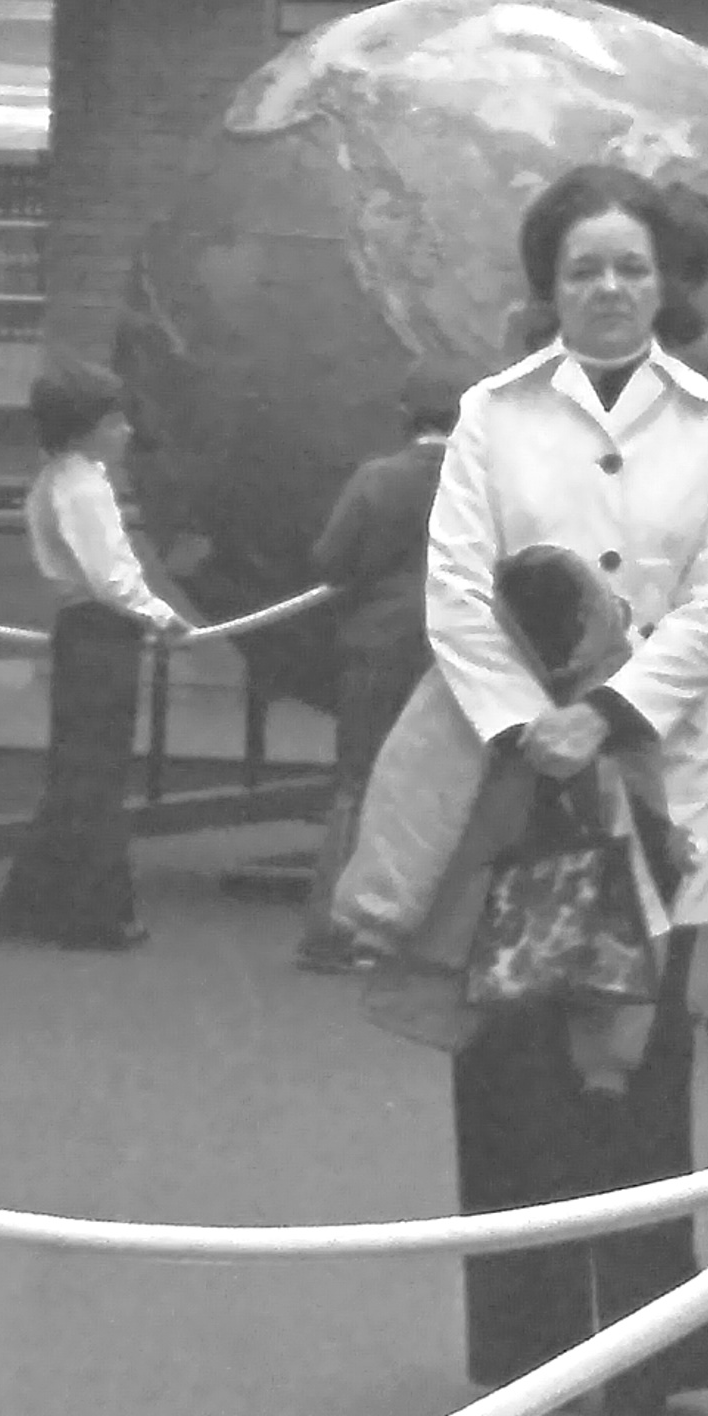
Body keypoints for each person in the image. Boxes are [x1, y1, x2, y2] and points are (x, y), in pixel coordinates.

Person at [432, 164, 708, 1416]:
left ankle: (645, 1347)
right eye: (583, 270)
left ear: (664, 281)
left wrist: (611, 711)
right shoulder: (492, 417)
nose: (611, 289)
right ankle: (521, 1346)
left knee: (638, 1059)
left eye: (630, 267)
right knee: (515, 1058)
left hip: (655, 782)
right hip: (525, 783)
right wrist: (534, 725)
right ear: (547, 287)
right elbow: (455, 592)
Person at [0, 363, 192, 950]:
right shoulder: (84, 484)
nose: (126, 429)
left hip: (82, 631)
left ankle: (32, 909)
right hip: (101, 634)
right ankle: (93, 916)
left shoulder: (59, 476)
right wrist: (160, 615)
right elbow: (110, 576)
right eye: (115, 419)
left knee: (76, 774)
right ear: (89, 426)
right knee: (95, 778)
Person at [289, 373, 464, 974]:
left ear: (404, 413)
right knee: (444, 784)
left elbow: (331, 559)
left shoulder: (378, 479)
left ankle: (336, 930)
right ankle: (432, 932)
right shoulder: (483, 483)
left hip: (381, 640)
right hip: (459, 644)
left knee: (360, 781)